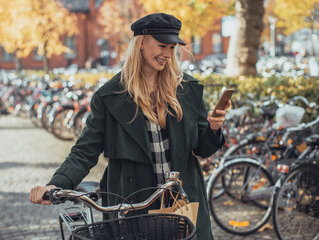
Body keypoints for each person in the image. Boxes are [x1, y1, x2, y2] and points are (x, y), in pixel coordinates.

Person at [30, 13, 229, 240]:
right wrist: (56, 184)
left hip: (182, 205)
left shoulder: (186, 89)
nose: (167, 54)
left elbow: (202, 150)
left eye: (172, 47)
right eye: (162, 45)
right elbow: (85, 150)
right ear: (141, 43)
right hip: (133, 207)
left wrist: (214, 129)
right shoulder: (110, 96)